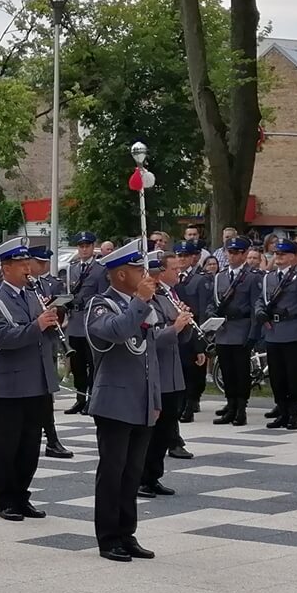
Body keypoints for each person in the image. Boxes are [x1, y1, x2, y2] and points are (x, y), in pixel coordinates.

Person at [86, 243, 164, 563]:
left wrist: (156, 398)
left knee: (132, 472)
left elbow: (150, 357)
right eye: (137, 270)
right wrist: (140, 301)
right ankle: (108, 537)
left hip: (142, 400)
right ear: (120, 274)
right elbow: (116, 333)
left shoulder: (141, 306)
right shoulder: (100, 305)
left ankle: (127, 532)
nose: (145, 276)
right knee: (113, 471)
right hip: (114, 401)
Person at [0, 239, 62, 521]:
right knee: (7, 447)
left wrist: (53, 324)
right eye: (21, 264)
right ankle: (6, 499)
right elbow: (1, 338)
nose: (27, 268)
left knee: (30, 446)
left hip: (36, 382)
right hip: (9, 385)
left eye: (27, 262)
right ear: (6, 267)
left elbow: (42, 337)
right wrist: (36, 326)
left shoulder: (33, 295)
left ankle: (22, 495)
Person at [140, 250, 194, 497]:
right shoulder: (147, 300)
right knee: (151, 433)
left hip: (172, 374)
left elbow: (178, 336)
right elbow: (150, 338)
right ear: (160, 273)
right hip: (156, 373)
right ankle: (141, 478)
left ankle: (154, 476)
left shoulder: (167, 297)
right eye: (173, 269)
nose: (178, 273)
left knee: (166, 430)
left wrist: (185, 324)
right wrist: (176, 327)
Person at [257, 238, 297, 430]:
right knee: (276, 376)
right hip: (273, 331)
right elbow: (261, 299)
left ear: (294, 256)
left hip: (293, 330)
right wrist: (260, 311)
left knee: (292, 375)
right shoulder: (269, 277)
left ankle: (293, 413)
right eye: (276, 254)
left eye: (283, 254)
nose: (278, 257)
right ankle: (281, 410)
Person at [27, 244, 77, 459]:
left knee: (46, 394)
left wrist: (57, 309)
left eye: (44, 262)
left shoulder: (51, 283)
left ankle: (52, 438)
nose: (42, 266)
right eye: (38, 262)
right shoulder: (23, 285)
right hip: (29, 342)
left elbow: (64, 307)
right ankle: (37, 438)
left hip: (47, 341)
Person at [209, 238, 261, 425]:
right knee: (227, 371)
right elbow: (213, 301)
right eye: (230, 252)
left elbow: (257, 306)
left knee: (241, 372)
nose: (233, 256)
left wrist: (254, 332)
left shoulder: (253, 276)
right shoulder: (220, 276)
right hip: (224, 330)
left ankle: (241, 409)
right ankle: (230, 406)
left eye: (237, 252)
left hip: (242, 328)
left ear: (245, 253)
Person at [62, 233, 106, 416]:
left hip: (90, 321)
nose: (83, 249)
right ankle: (80, 399)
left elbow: (103, 295)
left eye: (87, 245)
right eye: (80, 246)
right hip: (75, 322)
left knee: (92, 364)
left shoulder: (100, 269)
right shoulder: (72, 268)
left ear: (93, 246)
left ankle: (93, 399)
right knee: (77, 364)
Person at [173, 238, 211, 423]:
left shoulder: (200, 279)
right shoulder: (171, 278)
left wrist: (201, 341)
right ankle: (181, 403)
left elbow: (203, 311)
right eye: (178, 255)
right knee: (178, 369)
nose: (181, 259)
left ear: (193, 257)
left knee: (192, 371)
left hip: (192, 330)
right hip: (175, 331)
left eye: (185, 255)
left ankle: (189, 404)